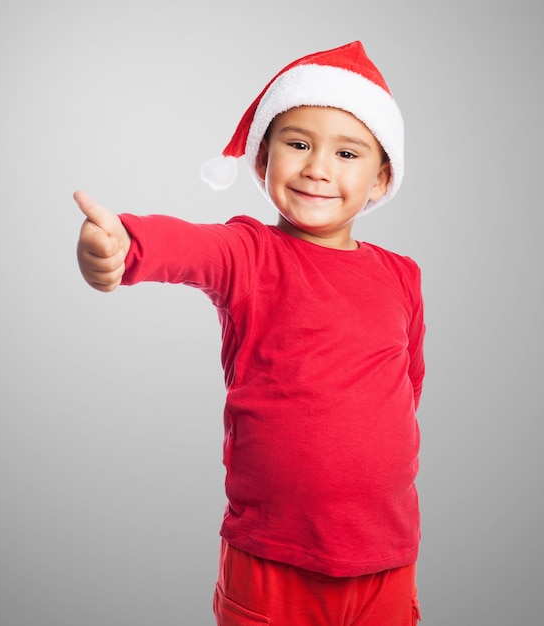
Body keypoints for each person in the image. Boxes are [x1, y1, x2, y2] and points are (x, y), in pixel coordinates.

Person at [75, 41, 425, 626]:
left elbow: (407, 389)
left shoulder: (401, 275)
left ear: (381, 178)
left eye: (346, 152)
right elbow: (188, 247)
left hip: (385, 561)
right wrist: (121, 244)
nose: (317, 167)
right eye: (298, 144)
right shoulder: (249, 253)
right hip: (271, 560)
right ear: (261, 161)